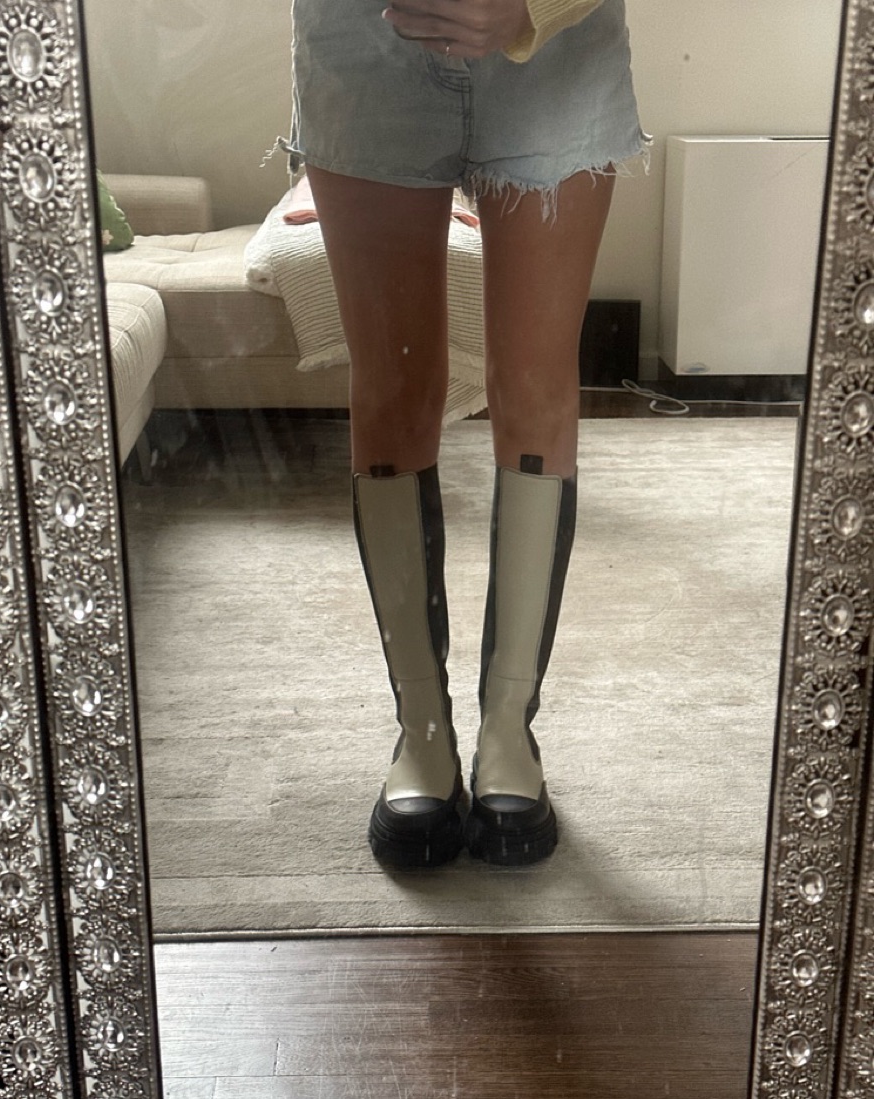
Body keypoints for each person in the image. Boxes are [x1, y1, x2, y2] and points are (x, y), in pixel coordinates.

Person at [287, 0, 647, 867]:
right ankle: (421, 728)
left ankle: (507, 731)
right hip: (362, 34)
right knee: (391, 389)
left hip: (558, 44)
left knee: (534, 386)